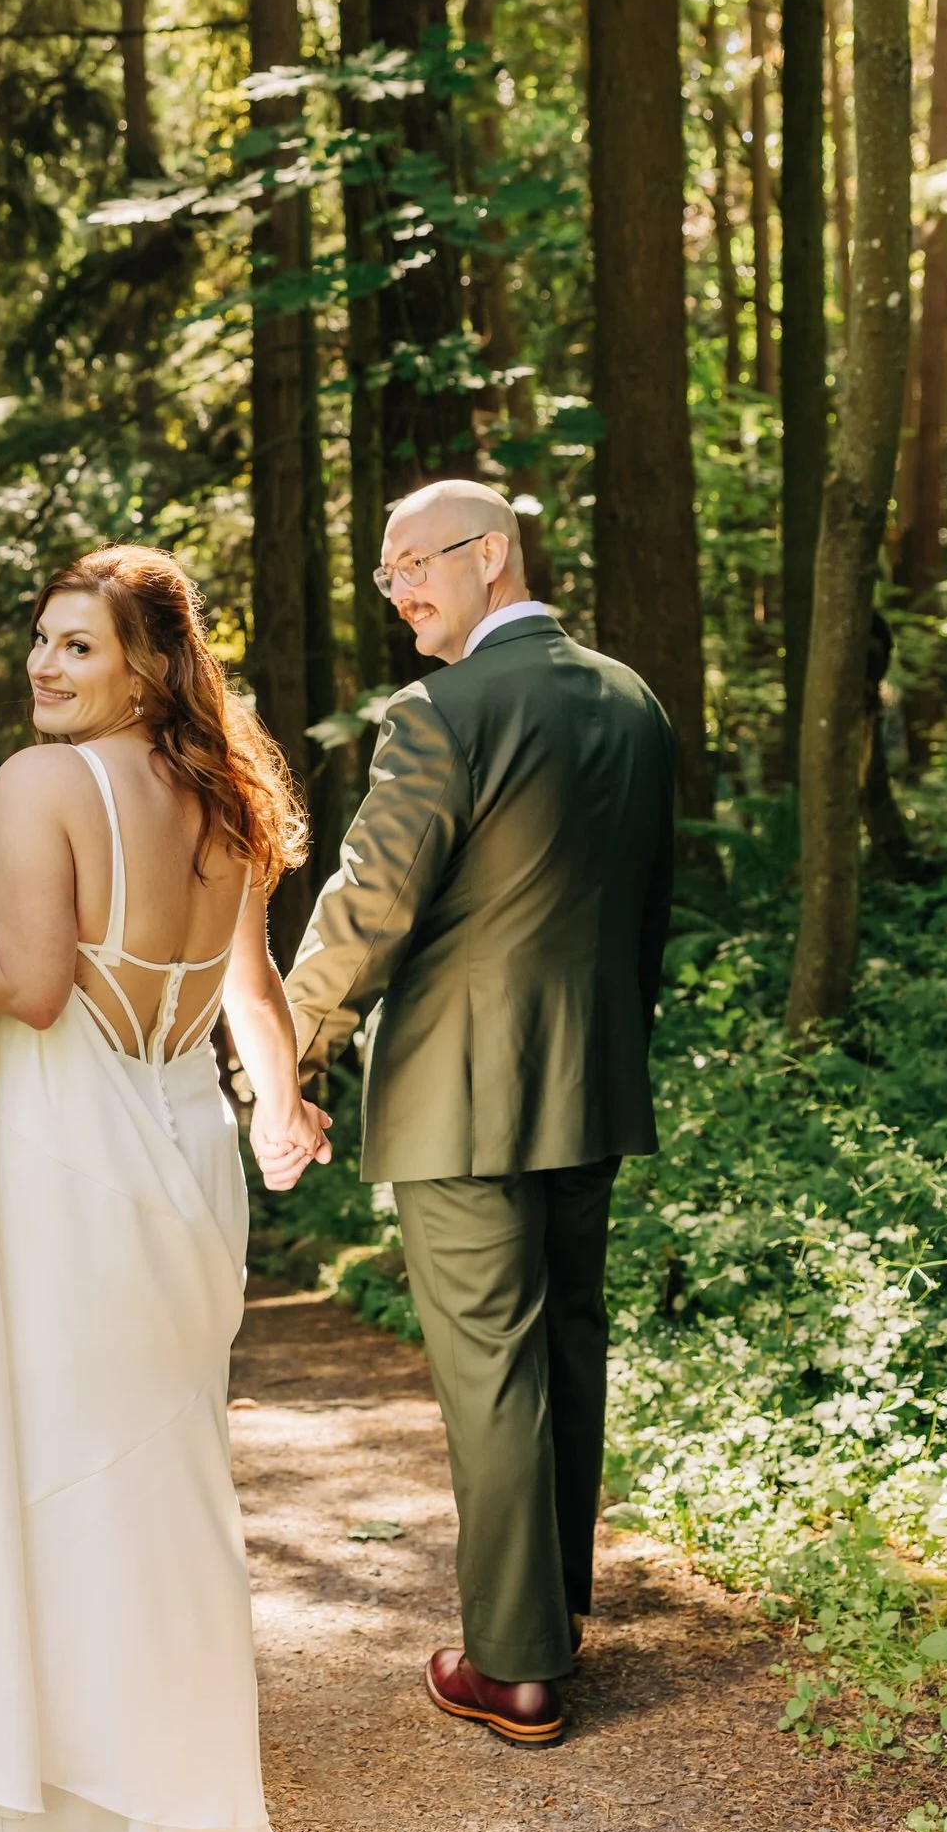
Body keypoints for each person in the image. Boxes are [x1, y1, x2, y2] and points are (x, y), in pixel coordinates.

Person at [0, 545, 327, 1832]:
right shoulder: (226, 801)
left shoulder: (42, 785)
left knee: (64, 1484)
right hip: (184, 1161)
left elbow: (35, 991)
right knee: (165, 1481)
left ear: (146, 666)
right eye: (43, 643)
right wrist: (281, 1116)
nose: (47, 669)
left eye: (78, 647)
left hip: (70, 1170)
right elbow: (252, 994)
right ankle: (187, 1824)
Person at [275, 480, 675, 1749]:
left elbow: (365, 911)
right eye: (386, 575)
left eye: (415, 565)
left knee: (493, 1371)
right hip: (594, 1077)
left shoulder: (438, 714)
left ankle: (512, 1669)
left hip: (460, 1092)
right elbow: (643, 913)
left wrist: (289, 1057)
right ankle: (552, 1612)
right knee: (564, 1344)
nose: (399, 592)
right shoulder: (632, 701)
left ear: (492, 556)